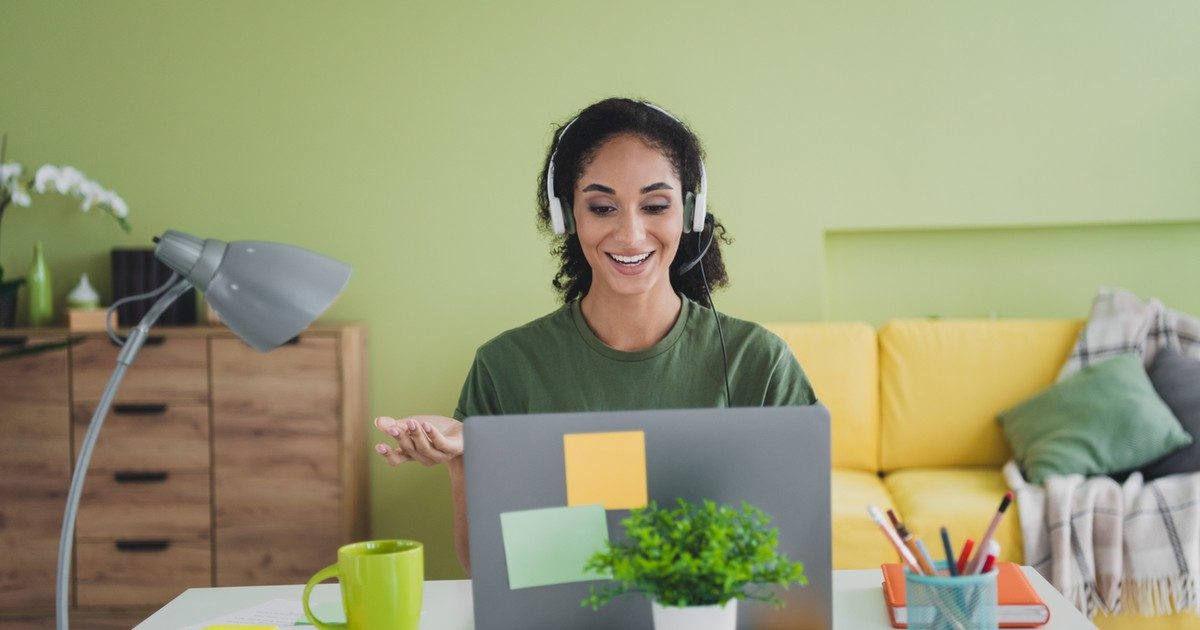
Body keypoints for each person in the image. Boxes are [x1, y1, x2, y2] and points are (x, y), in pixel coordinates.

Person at [373, 97, 818, 573]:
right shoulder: (505, 366)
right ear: (569, 217)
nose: (630, 234)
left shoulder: (760, 362)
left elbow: (797, 551)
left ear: (689, 213)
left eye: (656, 205)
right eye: (603, 207)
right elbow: (490, 571)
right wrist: (463, 456)